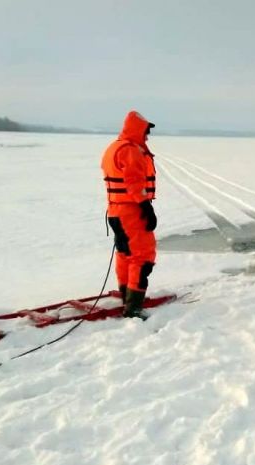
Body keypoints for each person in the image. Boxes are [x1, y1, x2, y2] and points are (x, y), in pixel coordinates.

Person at [101, 111, 158, 318]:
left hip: (115, 210)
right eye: (146, 131)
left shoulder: (114, 147)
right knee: (142, 256)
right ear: (137, 129)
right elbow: (134, 183)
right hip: (131, 211)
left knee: (125, 254)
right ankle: (133, 307)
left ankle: (127, 295)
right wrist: (146, 207)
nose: (147, 136)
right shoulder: (131, 151)